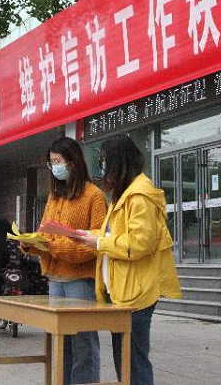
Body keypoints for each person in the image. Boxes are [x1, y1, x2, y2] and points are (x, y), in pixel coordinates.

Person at [73, 134, 182, 385]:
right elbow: (114, 235)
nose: (102, 167)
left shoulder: (139, 196)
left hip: (137, 292)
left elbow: (139, 244)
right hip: (123, 290)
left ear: (118, 162)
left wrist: (99, 243)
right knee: (124, 359)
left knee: (133, 361)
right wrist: (87, 235)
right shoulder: (123, 195)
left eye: (104, 161)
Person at [24, 136, 107, 384]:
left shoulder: (94, 196)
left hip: (81, 281)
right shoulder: (55, 196)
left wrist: (51, 246)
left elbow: (95, 245)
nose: (54, 167)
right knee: (62, 345)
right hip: (55, 280)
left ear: (73, 162)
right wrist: (31, 244)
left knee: (83, 344)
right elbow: (46, 235)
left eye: (58, 162)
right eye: (51, 163)